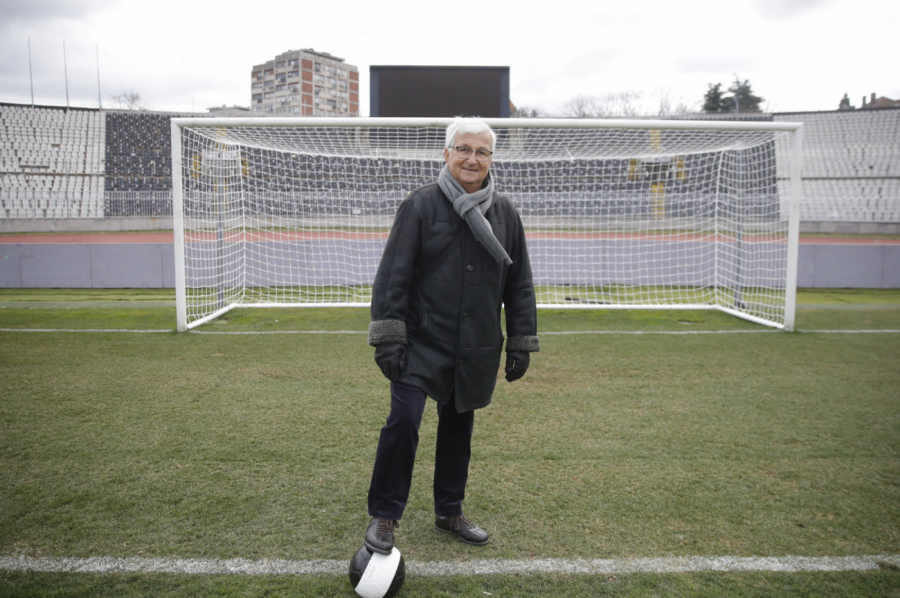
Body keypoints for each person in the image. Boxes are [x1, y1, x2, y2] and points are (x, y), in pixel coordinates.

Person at [364, 117, 540, 554]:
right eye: (464, 149)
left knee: (458, 428)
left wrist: (520, 340)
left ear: (491, 159)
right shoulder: (421, 205)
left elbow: (519, 284)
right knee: (403, 423)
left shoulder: (505, 213)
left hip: (476, 344)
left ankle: (449, 510)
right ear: (446, 153)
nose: (472, 159)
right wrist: (389, 336)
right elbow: (393, 277)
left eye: (481, 152)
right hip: (421, 340)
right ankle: (385, 515)